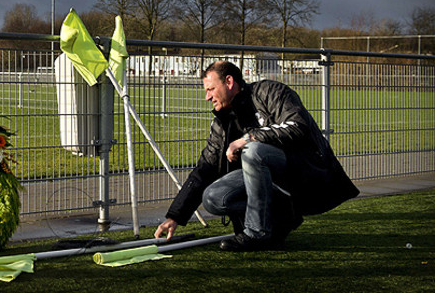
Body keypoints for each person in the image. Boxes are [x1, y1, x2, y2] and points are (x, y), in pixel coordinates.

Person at [154, 60, 359, 251]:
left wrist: (248, 138)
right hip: (269, 183)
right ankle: (280, 217)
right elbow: (204, 169)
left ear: (229, 81)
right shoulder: (222, 122)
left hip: (304, 171)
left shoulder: (271, 91)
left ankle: (256, 232)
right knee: (213, 197)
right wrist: (175, 216)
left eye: (210, 89)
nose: (207, 97)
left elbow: (298, 127)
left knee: (254, 150)